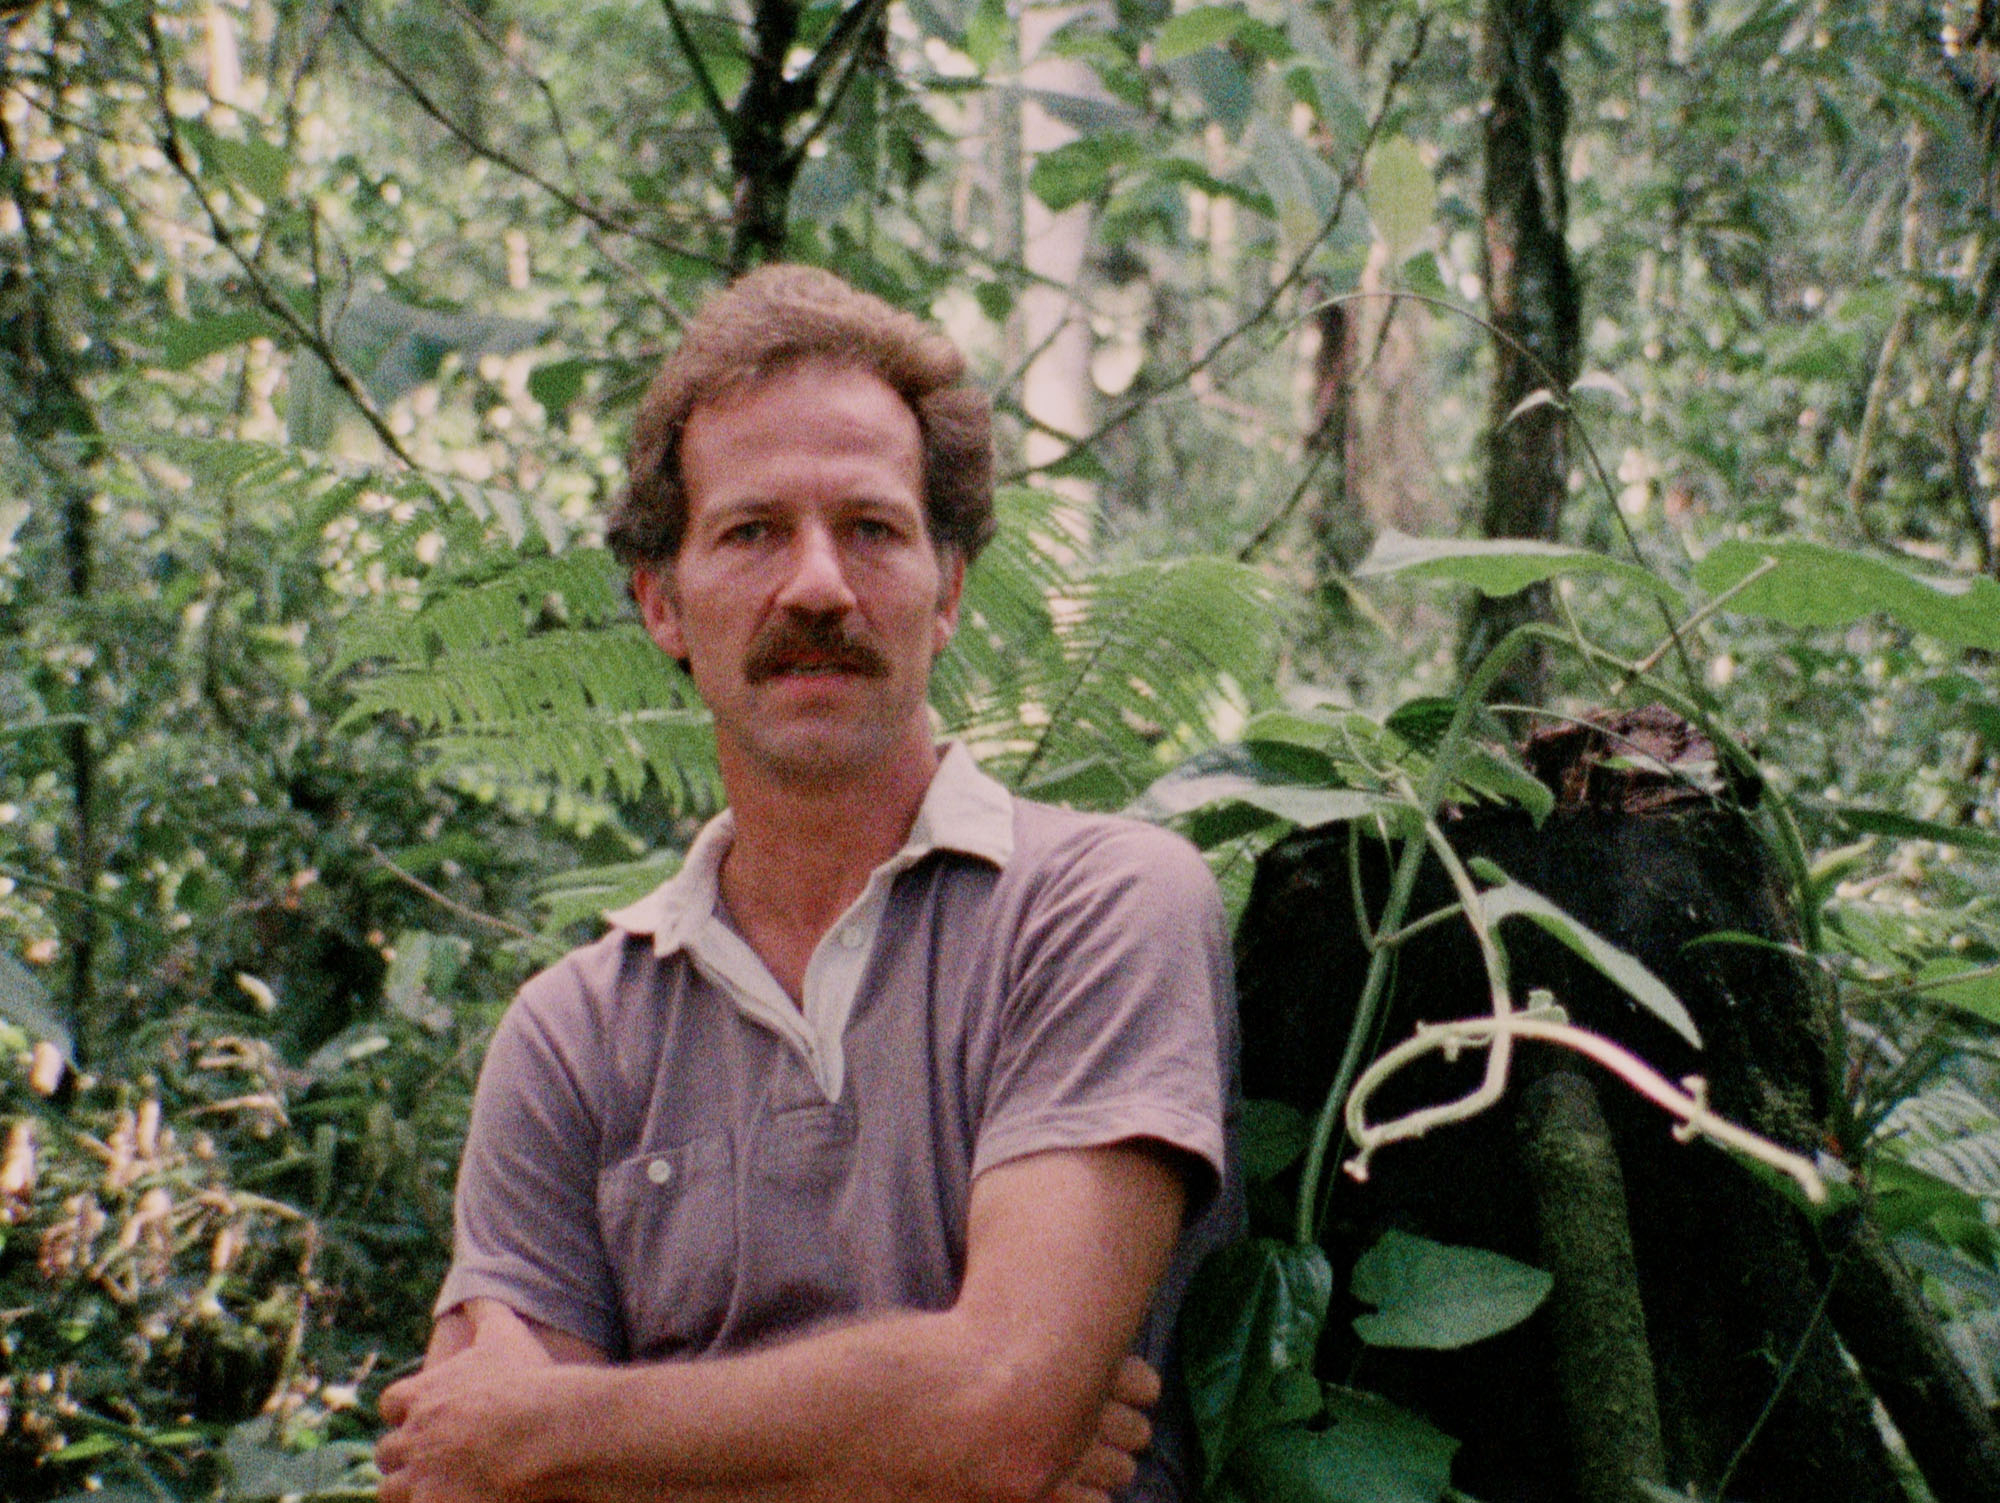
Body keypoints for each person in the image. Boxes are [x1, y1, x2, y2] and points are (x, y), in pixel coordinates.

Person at [373, 264, 1240, 1503]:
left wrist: (559, 1433)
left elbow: (1002, 1413)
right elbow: (466, 1473)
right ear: (662, 604)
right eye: (752, 531)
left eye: (873, 530)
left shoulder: (1099, 909)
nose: (819, 586)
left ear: (944, 591)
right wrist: (916, 1431)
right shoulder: (573, 1038)